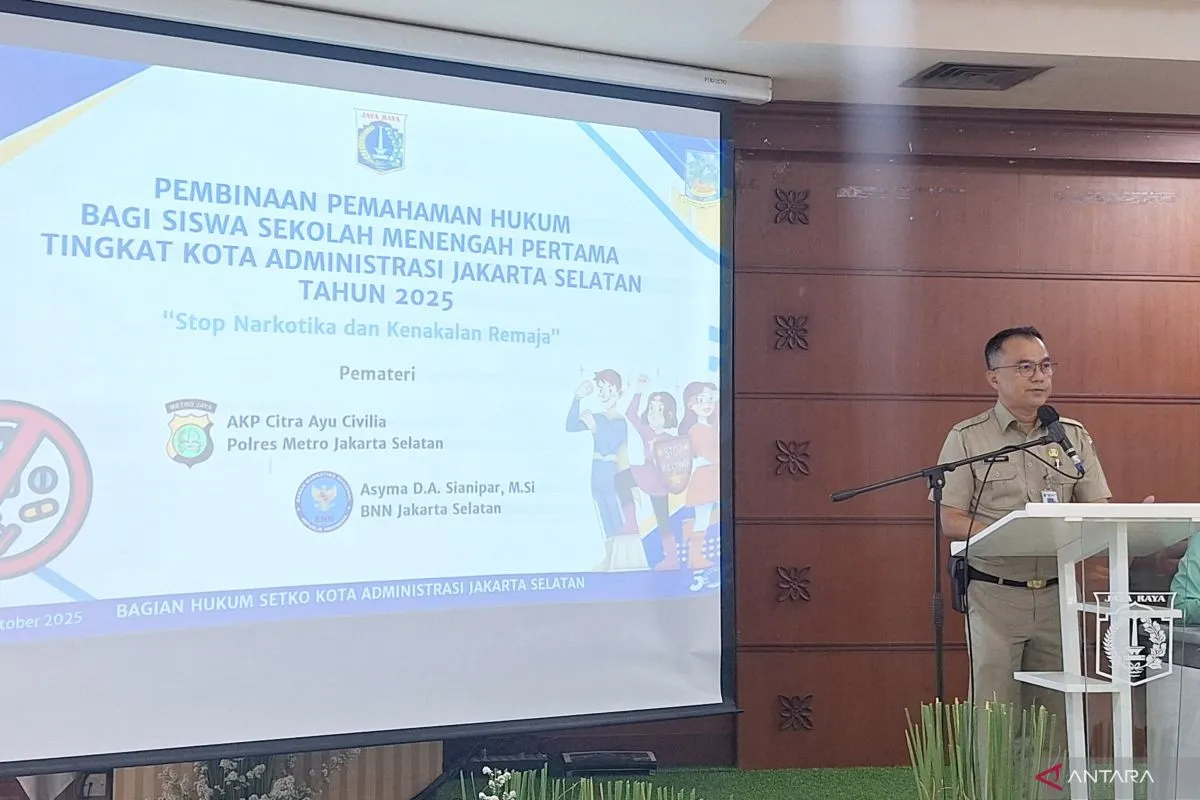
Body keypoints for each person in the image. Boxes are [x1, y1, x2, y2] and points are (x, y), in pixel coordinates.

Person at [931, 327, 1127, 768]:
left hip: (1059, 594)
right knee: (994, 713)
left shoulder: (1069, 435)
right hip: (994, 594)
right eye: (1024, 367)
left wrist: (1126, 520)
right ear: (993, 377)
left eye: (1045, 366)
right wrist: (1007, 533)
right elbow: (950, 518)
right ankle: (993, 792)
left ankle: (1048, 793)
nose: (1039, 376)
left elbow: (1097, 507)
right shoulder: (968, 438)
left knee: (1052, 715)